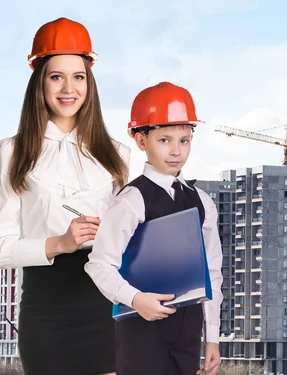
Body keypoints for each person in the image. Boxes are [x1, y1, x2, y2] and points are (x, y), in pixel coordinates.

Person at [0, 17, 130, 375]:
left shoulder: (118, 154)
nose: (68, 88)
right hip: (45, 307)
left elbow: (130, 241)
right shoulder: (12, 152)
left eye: (79, 76)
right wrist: (58, 242)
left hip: (104, 304)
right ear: (39, 82)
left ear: (90, 82)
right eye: (56, 76)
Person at [84, 81, 224, 375]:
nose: (176, 151)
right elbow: (98, 265)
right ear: (140, 140)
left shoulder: (202, 202)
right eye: (164, 140)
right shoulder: (132, 199)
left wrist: (212, 338)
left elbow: (212, 273)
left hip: (189, 332)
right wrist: (136, 299)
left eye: (184, 140)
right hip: (141, 330)